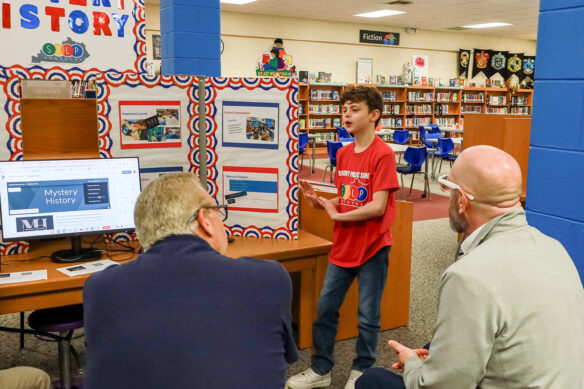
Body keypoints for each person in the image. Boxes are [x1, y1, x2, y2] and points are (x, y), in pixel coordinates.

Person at [356, 145, 584, 389]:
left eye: (449, 188)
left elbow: (441, 386)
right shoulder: (554, 247)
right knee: (435, 348)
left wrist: (412, 364)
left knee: (371, 380)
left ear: (462, 200)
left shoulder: (468, 276)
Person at [83, 172, 298, 389]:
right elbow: (281, 358)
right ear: (205, 221)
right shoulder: (268, 278)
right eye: (218, 211)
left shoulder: (100, 288)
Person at [287, 86, 400, 389]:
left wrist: (337, 216)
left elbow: (376, 206)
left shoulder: (384, 154)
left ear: (374, 115)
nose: (346, 114)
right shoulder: (345, 153)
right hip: (345, 244)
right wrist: (323, 203)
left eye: (355, 109)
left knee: (367, 316)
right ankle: (321, 368)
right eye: (344, 109)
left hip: (373, 246)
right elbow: (349, 196)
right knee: (325, 309)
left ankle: (362, 369)